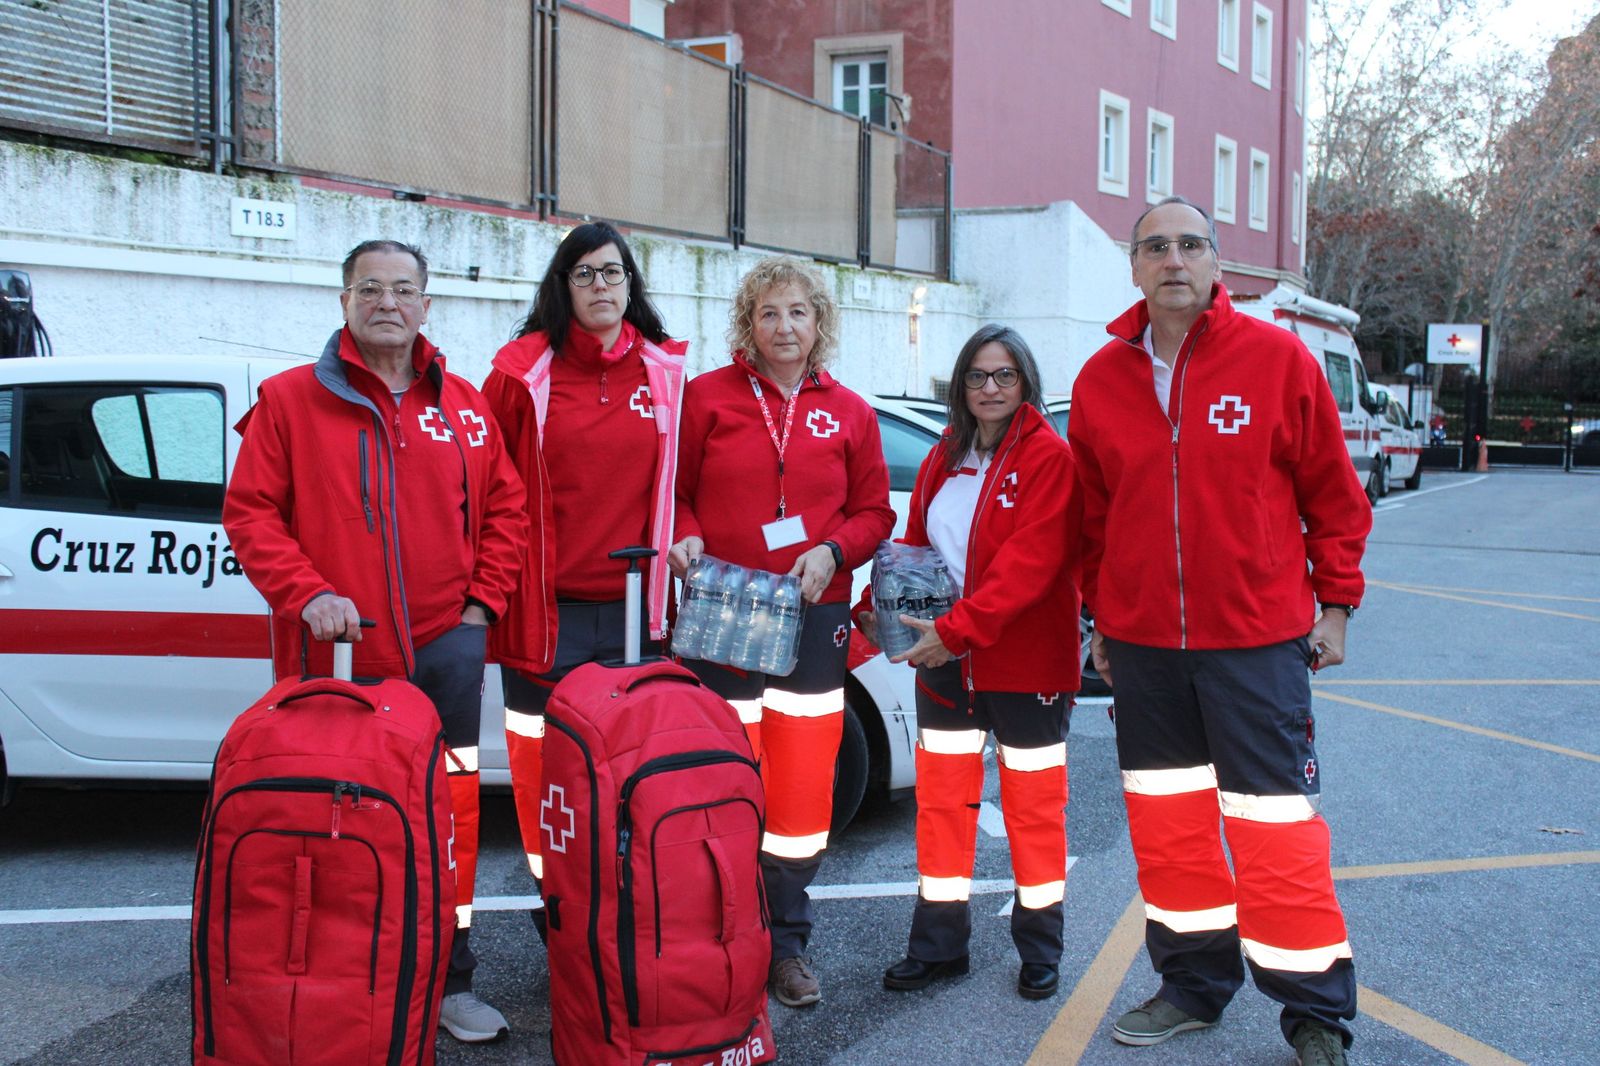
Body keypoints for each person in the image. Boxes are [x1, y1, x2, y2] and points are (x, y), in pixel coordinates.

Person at [1067, 196, 1371, 1066]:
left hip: (1256, 646)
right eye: (1155, 247)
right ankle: (1193, 987)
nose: (1174, 260)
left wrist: (1337, 607)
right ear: (1133, 268)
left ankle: (1313, 1009)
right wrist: (1102, 616)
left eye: (1191, 245)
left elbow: (1334, 499)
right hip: (1146, 651)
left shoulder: (1276, 361)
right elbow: (1094, 518)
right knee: (1172, 831)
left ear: (1217, 264)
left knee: (1275, 831)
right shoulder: (1098, 381)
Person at [224, 238, 529, 1044]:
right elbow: (250, 515)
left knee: (450, 822)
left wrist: (480, 611)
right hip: (338, 662)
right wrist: (307, 594)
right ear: (344, 302)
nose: (386, 301)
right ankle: (344, 987)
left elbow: (507, 512)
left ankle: (449, 981)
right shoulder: (288, 402)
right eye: (370, 288)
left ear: (427, 304)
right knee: (335, 825)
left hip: (446, 655)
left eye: (403, 289)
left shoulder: (463, 404)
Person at [668, 256, 894, 1009]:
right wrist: (687, 533)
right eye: (769, 313)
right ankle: (717, 938)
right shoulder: (706, 398)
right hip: (723, 612)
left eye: (797, 312)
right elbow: (672, 493)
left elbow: (874, 514)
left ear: (818, 322)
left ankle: (786, 948)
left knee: (798, 794)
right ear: (748, 323)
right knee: (719, 780)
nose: (783, 326)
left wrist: (834, 550)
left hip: (813, 617)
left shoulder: (852, 412)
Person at [860, 324, 1081, 1001]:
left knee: (1034, 812)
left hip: (1024, 665)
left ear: (1026, 383)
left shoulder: (1049, 458)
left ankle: (1040, 951)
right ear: (960, 386)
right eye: (978, 376)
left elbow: (1028, 570)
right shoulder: (941, 459)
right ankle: (938, 948)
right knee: (943, 806)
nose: (990, 388)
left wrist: (955, 632)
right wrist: (875, 608)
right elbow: (916, 549)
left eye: (1004, 376)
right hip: (944, 661)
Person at [481, 221, 688, 930]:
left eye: (613, 272)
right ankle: (559, 913)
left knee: (626, 773)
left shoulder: (664, 372)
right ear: (562, 287)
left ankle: (622, 914)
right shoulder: (520, 373)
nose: (602, 286)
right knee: (548, 778)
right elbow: (483, 488)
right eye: (585, 274)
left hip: (637, 615)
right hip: (546, 614)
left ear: (631, 284)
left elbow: (682, 486)